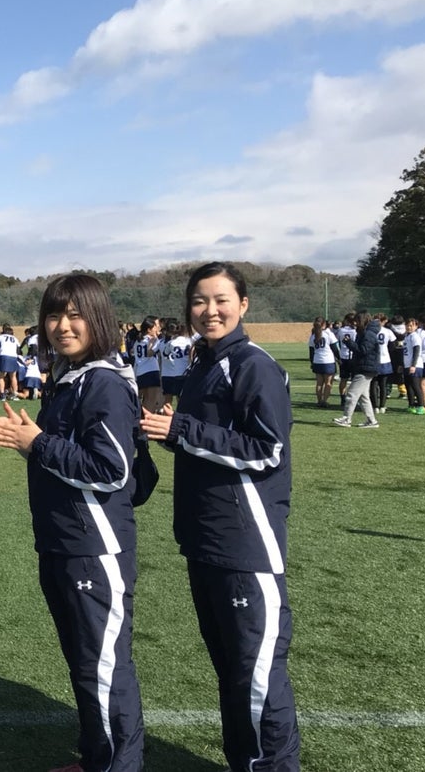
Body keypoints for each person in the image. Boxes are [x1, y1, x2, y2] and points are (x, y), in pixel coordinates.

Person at [139, 261, 300, 772]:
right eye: (199, 301)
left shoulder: (252, 365)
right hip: (205, 539)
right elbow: (211, 445)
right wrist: (171, 432)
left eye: (220, 300)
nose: (209, 310)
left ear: (243, 304)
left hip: (244, 543)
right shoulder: (203, 362)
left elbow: (266, 450)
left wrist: (183, 430)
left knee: (256, 676)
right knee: (231, 670)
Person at [0, 273, 145, 772]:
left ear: (98, 318)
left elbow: (112, 470)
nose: (62, 325)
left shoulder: (102, 382)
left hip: (93, 548)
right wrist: (35, 446)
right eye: (54, 315)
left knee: (104, 666)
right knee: (84, 662)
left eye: (75, 315)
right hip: (63, 541)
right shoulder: (71, 377)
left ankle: (118, 765)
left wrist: (37, 444)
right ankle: (98, 758)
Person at [333, 311, 381, 429]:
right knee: (363, 397)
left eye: (357, 321)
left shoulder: (369, 334)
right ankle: (372, 421)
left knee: (352, 394)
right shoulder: (365, 332)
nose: (355, 323)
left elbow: (363, 350)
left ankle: (346, 419)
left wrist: (349, 343)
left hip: (366, 368)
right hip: (364, 367)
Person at [132, 316, 163, 413]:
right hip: (151, 370)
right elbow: (150, 353)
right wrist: (157, 340)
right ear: (149, 329)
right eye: (155, 326)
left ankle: (140, 417)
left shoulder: (138, 340)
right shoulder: (152, 340)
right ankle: (147, 419)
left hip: (140, 371)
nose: (158, 328)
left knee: (143, 398)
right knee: (151, 400)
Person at [307, 317, 339, 408]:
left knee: (319, 383)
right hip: (328, 361)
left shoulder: (313, 336)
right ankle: (325, 401)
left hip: (317, 361)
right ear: (324, 324)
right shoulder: (329, 334)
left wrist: (312, 363)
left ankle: (319, 401)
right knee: (328, 383)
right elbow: (335, 348)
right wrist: (339, 358)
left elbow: (311, 352)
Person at [0, 323, 21, 401]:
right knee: (13, 376)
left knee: (1, 376)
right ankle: (15, 395)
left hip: (3, 356)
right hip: (13, 357)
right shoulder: (15, 338)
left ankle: (2, 396)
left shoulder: (0, 337)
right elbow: (19, 351)